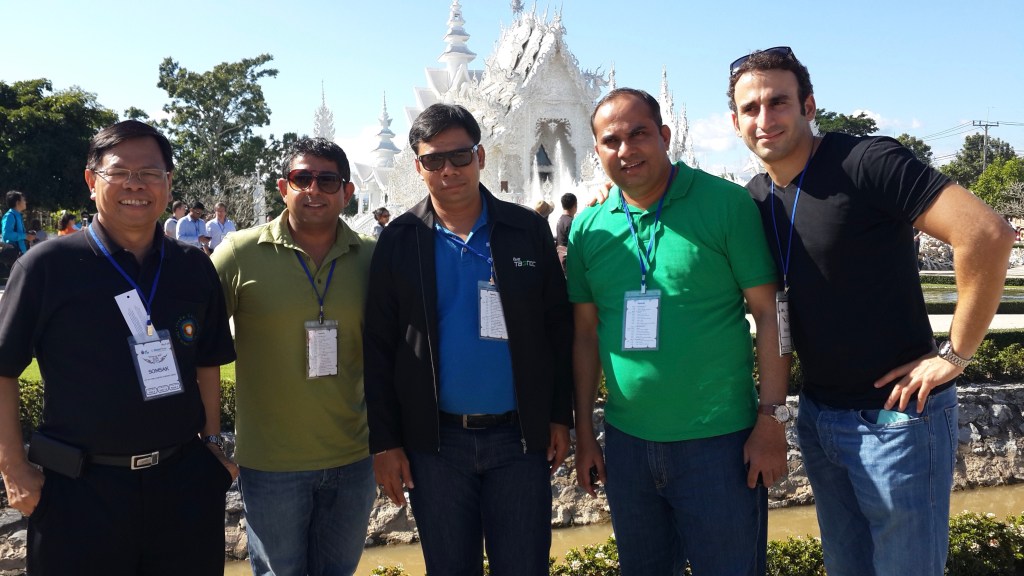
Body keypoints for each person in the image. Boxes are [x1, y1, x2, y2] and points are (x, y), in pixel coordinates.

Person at [728, 47, 1016, 576]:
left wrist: (954, 356)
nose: (764, 118)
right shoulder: (755, 199)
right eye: (750, 108)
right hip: (819, 417)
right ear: (735, 122)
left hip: (897, 419)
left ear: (808, 106)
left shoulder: (865, 162)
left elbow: (986, 234)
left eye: (778, 102)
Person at [0, 119, 237, 575]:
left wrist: (212, 446)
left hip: (181, 487)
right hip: (79, 493)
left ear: (168, 182)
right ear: (92, 181)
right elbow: (4, 368)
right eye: (119, 172)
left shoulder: (192, 266)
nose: (135, 184)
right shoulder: (47, 266)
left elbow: (209, 361)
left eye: (149, 173)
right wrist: (13, 467)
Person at [568, 88, 790, 576]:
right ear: (597, 150)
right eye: (611, 141)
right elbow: (584, 336)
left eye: (639, 134)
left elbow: (770, 313)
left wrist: (772, 420)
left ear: (665, 136)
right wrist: (585, 433)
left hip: (719, 444)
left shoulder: (725, 204)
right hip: (627, 443)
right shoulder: (589, 229)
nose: (626, 150)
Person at [364, 103, 573, 575]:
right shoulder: (400, 240)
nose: (448, 170)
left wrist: (560, 417)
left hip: (518, 440)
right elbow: (377, 347)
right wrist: (386, 443)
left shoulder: (525, 230)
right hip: (436, 445)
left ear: (479, 156)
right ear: (418, 167)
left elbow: (557, 329)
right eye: (433, 160)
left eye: (459, 156)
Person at [212, 137, 376, 576]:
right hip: (271, 463)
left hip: (353, 457)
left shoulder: (370, 256)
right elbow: (197, 348)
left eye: (327, 180)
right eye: (302, 178)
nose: (314, 190)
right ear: (283, 187)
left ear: (347, 192)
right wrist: (205, 437)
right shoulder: (239, 253)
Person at [555, 192, 577, 272]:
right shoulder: (571, 222)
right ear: (575, 205)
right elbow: (575, 243)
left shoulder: (561, 219)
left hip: (560, 256)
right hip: (567, 259)